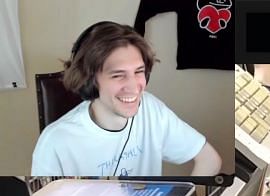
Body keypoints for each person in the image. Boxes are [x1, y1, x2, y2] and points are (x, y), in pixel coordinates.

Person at [31, 21, 222, 177]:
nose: (133, 86)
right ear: (89, 81)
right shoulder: (55, 142)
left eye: (139, 72)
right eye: (117, 75)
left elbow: (210, 159)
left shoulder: (151, 109)